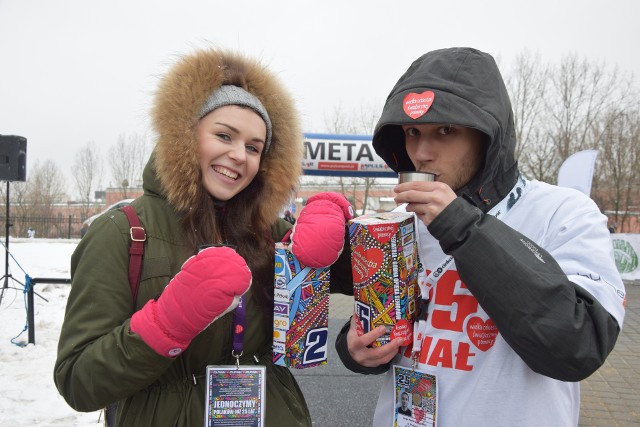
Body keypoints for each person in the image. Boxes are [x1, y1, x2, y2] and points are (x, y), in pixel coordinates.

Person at [54, 48, 353, 427]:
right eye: (224, 135)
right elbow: (78, 381)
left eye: (253, 147)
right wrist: (166, 323)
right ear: (186, 134)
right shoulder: (123, 232)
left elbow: (364, 286)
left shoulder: (269, 233)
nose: (238, 155)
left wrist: (336, 229)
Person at [334, 47, 626, 426]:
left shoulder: (563, 212)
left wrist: (461, 225)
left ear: (488, 136)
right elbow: (385, 324)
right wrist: (354, 350)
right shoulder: (402, 222)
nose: (422, 153)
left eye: (445, 130)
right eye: (412, 133)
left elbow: (577, 345)